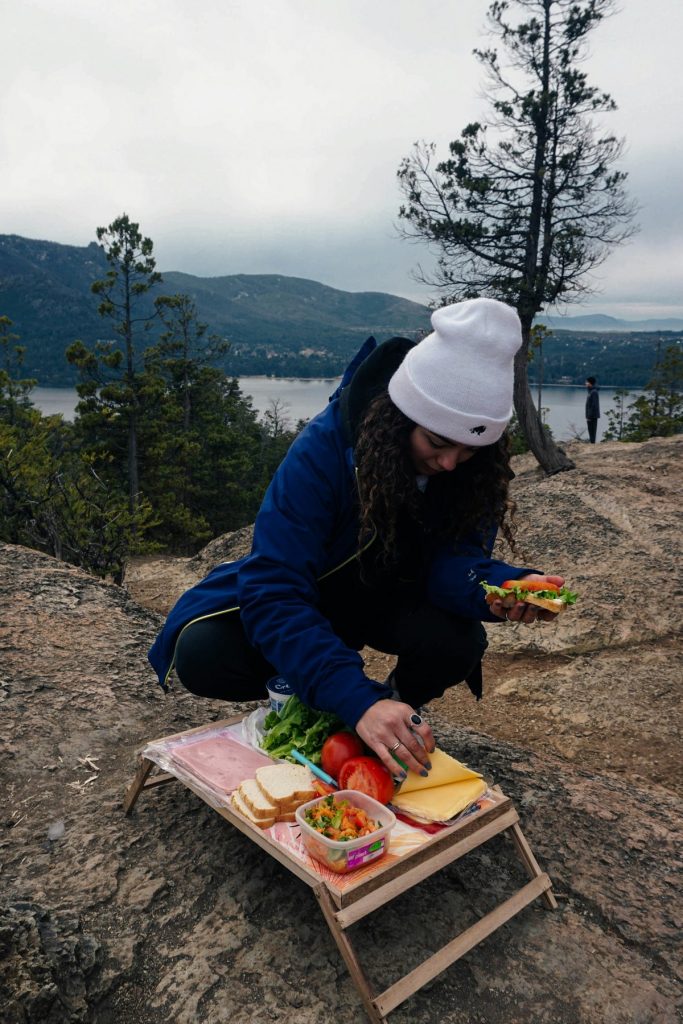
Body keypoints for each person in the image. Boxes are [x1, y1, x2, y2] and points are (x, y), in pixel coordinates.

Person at [149, 298, 566, 781]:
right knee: (203, 656)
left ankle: (393, 713)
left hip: (390, 596)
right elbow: (274, 588)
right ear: (401, 416)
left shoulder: (476, 474)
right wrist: (350, 694)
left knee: (457, 641)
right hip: (315, 594)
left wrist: (495, 586)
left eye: (470, 449)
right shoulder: (324, 450)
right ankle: (331, 705)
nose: (451, 463)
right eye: (436, 442)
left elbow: (455, 558)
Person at [585, 376, 600, 443]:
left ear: (590, 383)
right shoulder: (590, 392)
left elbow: (594, 405)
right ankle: (592, 442)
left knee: (592, 430)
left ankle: (593, 444)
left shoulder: (594, 392)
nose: (585, 383)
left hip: (592, 416)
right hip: (590, 415)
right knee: (590, 430)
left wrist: (589, 416)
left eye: (587, 382)